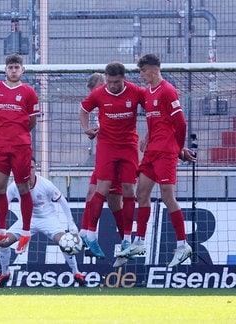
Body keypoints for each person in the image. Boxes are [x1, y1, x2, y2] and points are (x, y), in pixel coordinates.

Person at [117, 53, 196, 267]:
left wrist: (178, 148)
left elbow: (180, 123)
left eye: (143, 71)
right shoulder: (149, 93)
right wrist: (148, 137)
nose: (141, 75)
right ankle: (140, 241)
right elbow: (157, 120)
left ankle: (183, 245)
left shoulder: (168, 91)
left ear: (153, 69)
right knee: (141, 192)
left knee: (167, 196)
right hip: (152, 151)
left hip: (166, 152)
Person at [79, 62, 144, 267]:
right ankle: (89, 234)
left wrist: (150, 135)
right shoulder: (99, 94)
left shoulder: (136, 92)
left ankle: (126, 239)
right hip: (107, 146)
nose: (113, 86)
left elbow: (153, 109)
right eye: (109, 82)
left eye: (116, 82)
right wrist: (86, 128)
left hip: (128, 146)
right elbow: (83, 109)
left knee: (128, 191)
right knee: (100, 188)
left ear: (124, 78)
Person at [0, 158, 86, 287]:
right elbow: (3, 204)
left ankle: (76, 272)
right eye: (27, 168)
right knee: (3, 242)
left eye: (32, 168)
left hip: (48, 220)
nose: (29, 171)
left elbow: (62, 201)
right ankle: (5, 274)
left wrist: (70, 222)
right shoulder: (15, 185)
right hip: (26, 221)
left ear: (35, 169)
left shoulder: (45, 184)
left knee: (65, 241)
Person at [0, 53, 40, 255]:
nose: (14, 70)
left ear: (22, 70)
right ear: (5, 69)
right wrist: (0, 135)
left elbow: (32, 122)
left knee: (23, 188)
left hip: (20, 148)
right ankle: (0, 231)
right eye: (11, 67)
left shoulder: (29, 92)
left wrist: (18, 134)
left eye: (17, 67)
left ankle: (25, 233)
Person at [79, 73, 126, 262]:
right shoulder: (99, 103)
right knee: (91, 192)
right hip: (105, 157)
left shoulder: (118, 97)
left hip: (119, 157)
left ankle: (126, 241)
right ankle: (85, 233)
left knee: (115, 203)